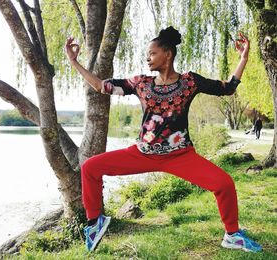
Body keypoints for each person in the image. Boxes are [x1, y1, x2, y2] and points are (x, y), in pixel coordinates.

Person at [65, 26, 262, 252]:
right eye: (147, 54)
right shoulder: (141, 84)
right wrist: (74, 62)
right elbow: (102, 86)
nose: (147, 58)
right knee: (90, 167)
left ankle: (232, 235)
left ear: (167, 54)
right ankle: (95, 222)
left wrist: (244, 59)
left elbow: (227, 89)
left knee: (225, 184)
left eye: (152, 53)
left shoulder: (190, 82)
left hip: (180, 156)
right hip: (141, 154)